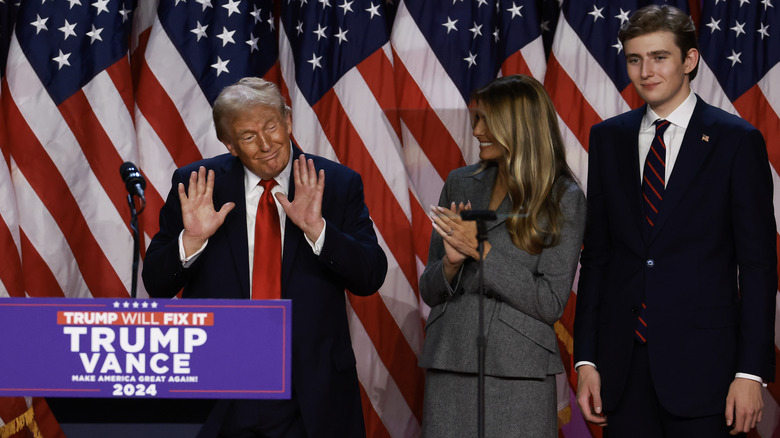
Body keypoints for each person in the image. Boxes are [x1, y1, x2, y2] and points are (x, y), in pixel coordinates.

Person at [142, 77, 388, 437]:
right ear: (229, 144)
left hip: (310, 391)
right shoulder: (198, 185)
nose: (266, 144)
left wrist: (318, 229)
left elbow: (370, 276)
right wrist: (192, 239)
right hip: (221, 387)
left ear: (287, 121)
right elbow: (157, 284)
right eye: (247, 136)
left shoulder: (334, 183)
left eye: (271, 126)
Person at [573, 5, 776, 437]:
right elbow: (598, 257)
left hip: (707, 372)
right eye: (634, 59)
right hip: (622, 370)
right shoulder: (608, 138)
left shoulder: (736, 141)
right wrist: (587, 358)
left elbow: (757, 266)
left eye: (659, 57)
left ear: (689, 60)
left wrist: (750, 372)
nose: (646, 71)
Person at [419, 74, 586, 437]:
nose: (476, 130)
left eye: (485, 120)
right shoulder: (460, 182)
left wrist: (482, 251)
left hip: (518, 370)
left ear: (519, 125)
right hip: (450, 360)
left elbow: (550, 302)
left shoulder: (563, 197)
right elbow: (429, 291)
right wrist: (450, 263)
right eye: (475, 118)